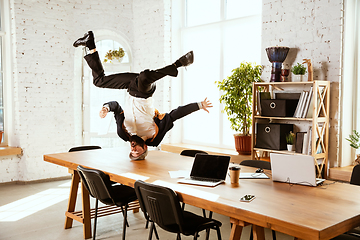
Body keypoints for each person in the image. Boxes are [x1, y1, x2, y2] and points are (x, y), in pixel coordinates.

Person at [73, 31, 212, 160]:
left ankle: (90, 43)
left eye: (132, 151)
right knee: (145, 76)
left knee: (99, 81)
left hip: (130, 87)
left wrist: (106, 108)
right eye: (137, 151)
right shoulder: (154, 136)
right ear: (145, 148)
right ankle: (179, 63)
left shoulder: (123, 134)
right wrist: (198, 105)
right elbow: (174, 115)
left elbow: (116, 107)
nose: (133, 148)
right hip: (145, 91)